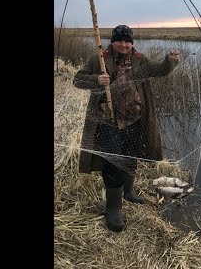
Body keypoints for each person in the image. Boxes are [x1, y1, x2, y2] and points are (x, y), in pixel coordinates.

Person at [73, 24, 180, 232]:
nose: (124, 45)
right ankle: (113, 210)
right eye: (119, 40)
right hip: (106, 121)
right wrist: (96, 79)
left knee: (130, 157)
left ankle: (128, 192)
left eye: (127, 41)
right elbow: (77, 79)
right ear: (112, 41)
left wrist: (170, 61)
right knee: (112, 163)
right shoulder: (99, 59)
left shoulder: (140, 59)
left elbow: (160, 70)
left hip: (134, 119)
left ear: (132, 42)